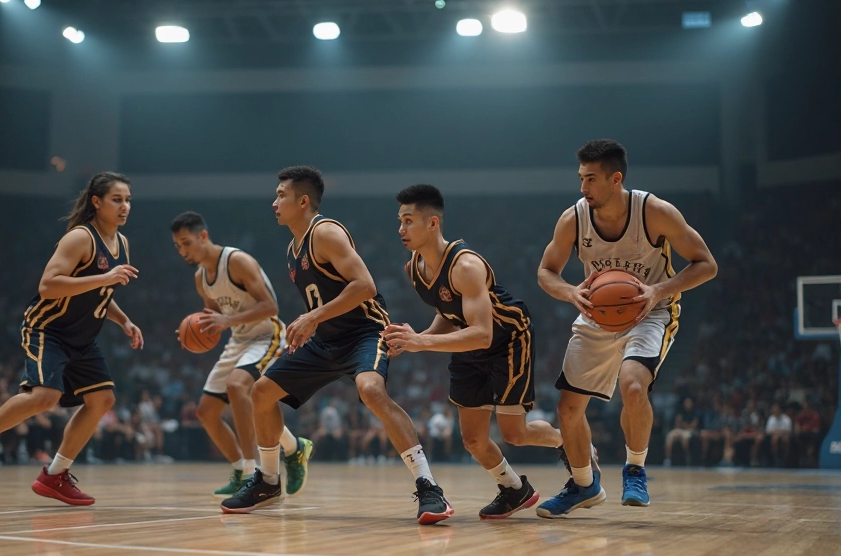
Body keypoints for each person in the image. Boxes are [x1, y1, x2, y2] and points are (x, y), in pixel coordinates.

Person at [220, 166, 453, 524]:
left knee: (371, 390)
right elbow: (325, 298)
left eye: (281, 195)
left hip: (365, 332)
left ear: (303, 201)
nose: (274, 202)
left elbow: (365, 285)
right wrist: (311, 321)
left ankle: (428, 486)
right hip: (326, 339)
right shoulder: (292, 249)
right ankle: (268, 480)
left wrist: (312, 318)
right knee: (261, 392)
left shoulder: (325, 232)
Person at [536, 139, 717, 517]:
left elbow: (706, 264)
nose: (582, 188)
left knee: (633, 385)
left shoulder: (655, 212)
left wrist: (658, 290)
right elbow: (545, 271)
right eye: (580, 178)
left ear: (615, 179)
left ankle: (635, 468)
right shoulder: (574, 218)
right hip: (596, 315)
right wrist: (571, 292)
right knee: (568, 410)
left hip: (652, 311)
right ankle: (584, 486)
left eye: (590, 179)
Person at [0, 172, 144, 506]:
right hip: (48, 329)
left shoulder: (122, 243)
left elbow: (101, 292)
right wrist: (104, 277)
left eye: (128, 200)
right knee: (46, 396)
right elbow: (48, 285)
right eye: (117, 199)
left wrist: (124, 320)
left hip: (82, 337)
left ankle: (55, 475)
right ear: (97, 201)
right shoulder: (80, 238)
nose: (125, 207)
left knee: (102, 400)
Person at [385, 184, 563, 519]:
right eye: (400, 220)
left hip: (507, 338)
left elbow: (482, 334)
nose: (401, 228)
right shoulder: (414, 266)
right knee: (473, 440)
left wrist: (422, 342)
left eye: (408, 221)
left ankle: (570, 442)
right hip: (468, 342)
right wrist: (418, 338)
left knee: (515, 434)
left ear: (433, 223)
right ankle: (514, 489)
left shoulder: (465, 266)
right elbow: (447, 310)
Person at [170, 211, 309, 497]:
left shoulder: (237, 261)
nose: (183, 250)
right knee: (206, 412)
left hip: (266, 334)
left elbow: (271, 306)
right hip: (239, 339)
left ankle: (252, 472)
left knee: (237, 386)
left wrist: (226, 322)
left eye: (186, 243)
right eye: (178, 246)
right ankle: (289, 450)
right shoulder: (201, 278)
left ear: (203, 236)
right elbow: (214, 319)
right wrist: (192, 333)